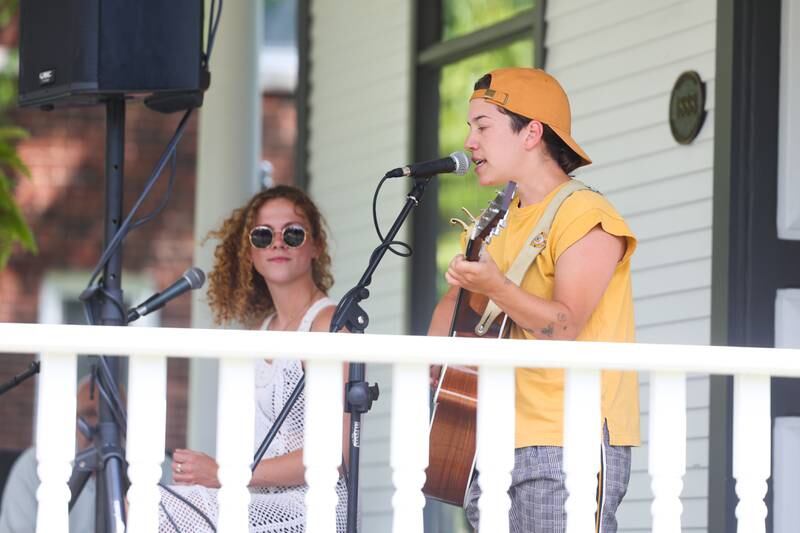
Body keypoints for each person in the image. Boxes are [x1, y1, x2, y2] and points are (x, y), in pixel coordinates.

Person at [427, 68, 639, 533]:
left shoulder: (586, 212)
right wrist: (437, 366)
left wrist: (494, 285)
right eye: (469, 128)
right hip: (493, 434)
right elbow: (459, 308)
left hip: (567, 435)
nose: (469, 142)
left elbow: (563, 325)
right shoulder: (497, 217)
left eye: (482, 126)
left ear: (532, 133)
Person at [157, 185, 349, 533]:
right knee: (149, 503)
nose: (277, 243)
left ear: (316, 245)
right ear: (249, 253)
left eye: (293, 233)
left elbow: (333, 453)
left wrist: (224, 473)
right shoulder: (260, 333)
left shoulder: (328, 324)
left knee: (153, 506)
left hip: (311, 506)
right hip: (257, 500)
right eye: (263, 235)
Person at [0, 375, 99, 533]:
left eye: (112, 417)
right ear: (72, 418)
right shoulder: (34, 463)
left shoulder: (136, 472)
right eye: (88, 413)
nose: (97, 424)